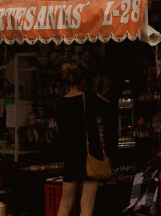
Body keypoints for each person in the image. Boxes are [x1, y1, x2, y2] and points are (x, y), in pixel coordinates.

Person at [55, 64, 112, 216]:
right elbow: (110, 109)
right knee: (87, 203)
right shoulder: (90, 99)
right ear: (83, 80)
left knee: (65, 202)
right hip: (90, 153)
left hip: (70, 155)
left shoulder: (60, 102)